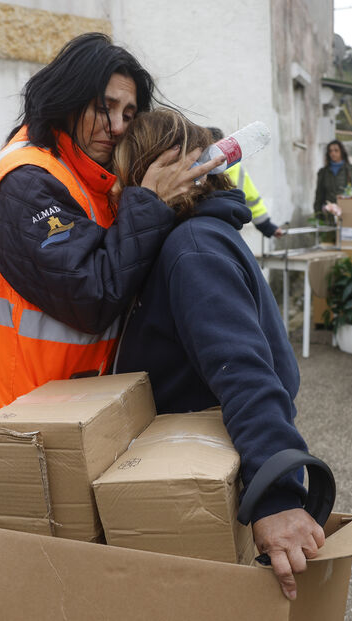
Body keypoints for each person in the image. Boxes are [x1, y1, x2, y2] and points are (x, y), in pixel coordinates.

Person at [0, 33, 225, 438]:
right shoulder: (28, 182)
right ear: (67, 99)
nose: (117, 127)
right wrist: (150, 202)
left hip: (65, 411)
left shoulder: (87, 177)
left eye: (129, 114)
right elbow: (91, 296)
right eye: (103, 108)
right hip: (14, 420)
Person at [113, 109, 325, 601]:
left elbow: (244, 371)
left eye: (122, 177)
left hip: (204, 471)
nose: (119, 193)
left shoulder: (193, 248)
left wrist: (276, 496)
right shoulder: (198, 235)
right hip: (200, 462)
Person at [207, 126, 285, 238]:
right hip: (202, 229)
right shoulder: (193, 170)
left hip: (228, 231)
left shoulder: (235, 168)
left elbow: (252, 199)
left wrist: (267, 227)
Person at [313, 139, 352, 215]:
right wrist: (318, 213)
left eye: (336, 150)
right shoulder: (323, 172)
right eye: (330, 151)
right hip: (329, 213)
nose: (333, 153)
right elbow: (319, 195)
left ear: (341, 152)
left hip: (347, 212)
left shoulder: (350, 169)